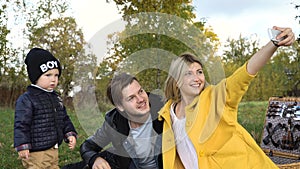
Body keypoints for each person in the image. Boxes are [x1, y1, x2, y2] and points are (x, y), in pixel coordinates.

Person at [158, 26, 295, 169]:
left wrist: (273, 43)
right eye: (188, 73)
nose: (197, 78)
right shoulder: (168, 114)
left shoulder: (215, 98)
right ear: (176, 81)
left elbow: (244, 74)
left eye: (199, 72)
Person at [79, 73, 164, 169]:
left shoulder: (164, 111)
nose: (140, 99)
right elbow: (87, 146)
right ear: (120, 106)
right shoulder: (114, 122)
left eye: (140, 91)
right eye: (131, 98)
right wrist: (95, 159)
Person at [14, 48, 78, 169]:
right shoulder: (27, 99)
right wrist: (23, 145)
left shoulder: (56, 98)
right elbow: (21, 124)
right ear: (35, 76)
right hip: (35, 151)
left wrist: (70, 134)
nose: (53, 79)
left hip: (53, 148)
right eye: (48, 75)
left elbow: (64, 118)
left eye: (56, 75)